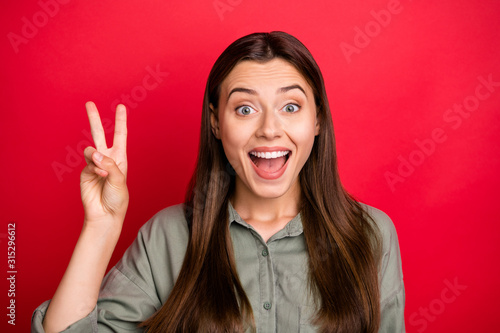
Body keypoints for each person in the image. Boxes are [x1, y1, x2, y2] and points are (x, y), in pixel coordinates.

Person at [32, 31, 405, 332]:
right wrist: (101, 225)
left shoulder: (370, 234)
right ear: (216, 123)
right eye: (245, 109)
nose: (270, 129)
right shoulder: (168, 237)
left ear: (318, 121)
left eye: (290, 107)